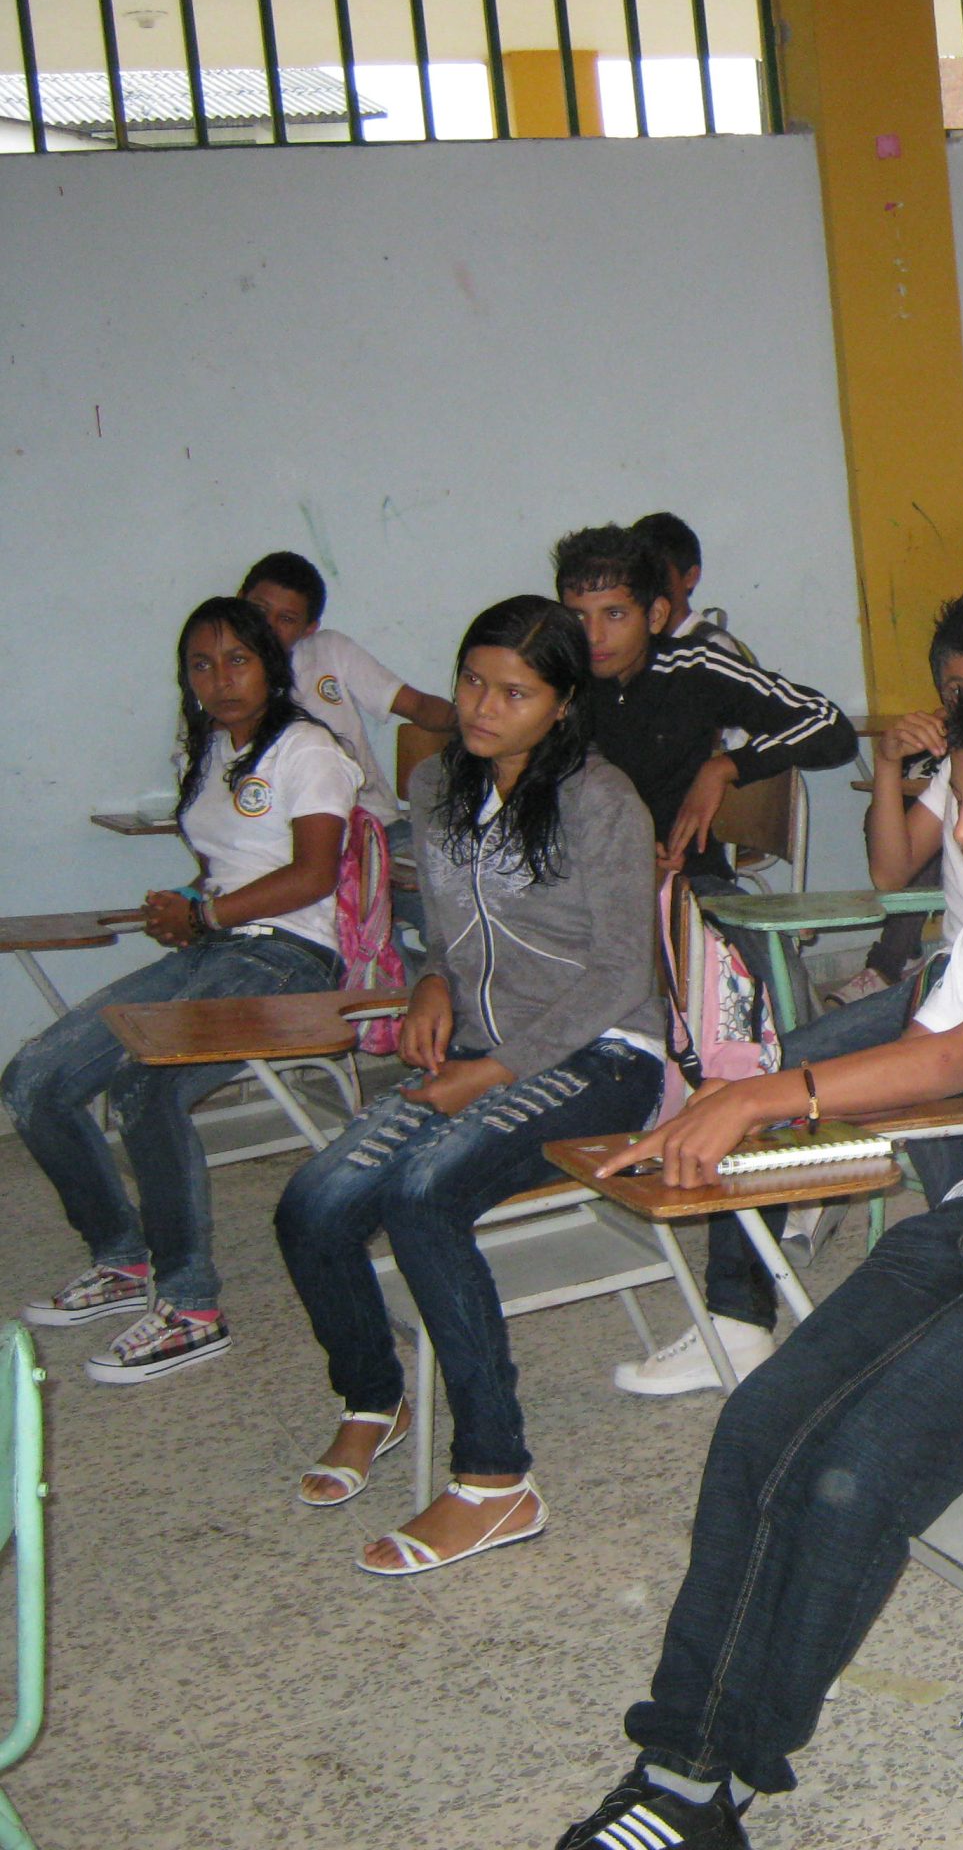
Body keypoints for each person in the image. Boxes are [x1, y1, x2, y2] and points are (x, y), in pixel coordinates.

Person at [552, 662, 963, 1850]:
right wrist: (764, 1131)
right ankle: (685, 1766)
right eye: (956, 800)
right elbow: (919, 1047)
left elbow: (944, 1063)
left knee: (862, 1457)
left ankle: (703, 1779)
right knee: (762, 1421)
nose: (959, 828)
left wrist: (762, 1095)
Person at [273, 596, 661, 1571]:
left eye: (514, 692)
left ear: (562, 704)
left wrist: (489, 1072)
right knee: (311, 1203)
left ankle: (496, 1480)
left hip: (603, 1057)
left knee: (421, 1194)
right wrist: (433, 985)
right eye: (473, 681)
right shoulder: (437, 779)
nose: (483, 707)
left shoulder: (603, 801)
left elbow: (622, 974)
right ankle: (374, 1396)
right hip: (481, 1048)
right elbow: (443, 933)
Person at [615, 590, 963, 1396]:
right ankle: (739, 1321)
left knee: (937, 1089)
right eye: (955, 690)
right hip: (944, 977)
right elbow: (891, 873)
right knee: (764, 1078)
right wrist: (889, 766)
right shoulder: (960, 767)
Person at [6, 597, 355, 1381]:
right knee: (34, 1080)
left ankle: (191, 1306)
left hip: (290, 960)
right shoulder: (207, 753)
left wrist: (206, 913)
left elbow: (313, 874)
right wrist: (185, 912)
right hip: (217, 945)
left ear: (271, 664)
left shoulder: (307, 750)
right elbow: (222, 866)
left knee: (146, 1085)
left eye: (238, 659)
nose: (221, 678)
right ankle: (123, 1260)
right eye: (203, 664)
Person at [552, 524, 857, 887]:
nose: (593, 635)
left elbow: (829, 724)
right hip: (580, 884)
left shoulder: (694, 668)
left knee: (736, 943)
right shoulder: (551, 682)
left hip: (690, 879)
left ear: (655, 616)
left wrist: (724, 768)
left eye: (614, 614)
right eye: (577, 616)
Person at [237, 550, 456, 835]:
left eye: (287, 619)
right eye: (259, 610)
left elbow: (418, 706)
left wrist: (479, 723)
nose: (268, 626)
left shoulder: (330, 650)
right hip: (284, 841)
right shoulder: (217, 682)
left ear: (308, 629)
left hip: (373, 826)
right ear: (240, 601)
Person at [633, 512, 751, 661]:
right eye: (638, 574)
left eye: (659, 575)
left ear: (690, 577)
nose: (648, 584)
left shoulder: (713, 649)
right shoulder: (632, 646)